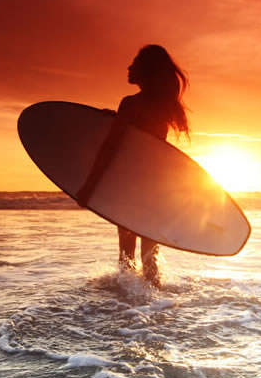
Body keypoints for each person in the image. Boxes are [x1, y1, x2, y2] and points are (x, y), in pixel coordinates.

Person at [76, 44, 190, 286]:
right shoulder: (164, 107)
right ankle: (154, 312)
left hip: (130, 187)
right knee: (151, 263)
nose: (129, 67)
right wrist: (118, 119)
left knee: (126, 259)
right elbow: (144, 140)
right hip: (159, 188)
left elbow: (111, 148)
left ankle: (126, 312)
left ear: (146, 70)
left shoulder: (131, 103)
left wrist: (89, 187)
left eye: (134, 63)